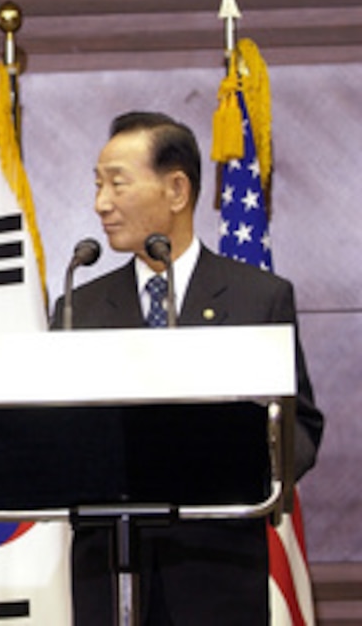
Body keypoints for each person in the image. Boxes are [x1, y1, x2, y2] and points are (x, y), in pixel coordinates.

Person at [52, 111, 324, 624]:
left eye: (117, 183)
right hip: (107, 574)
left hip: (217, 567)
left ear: (176, 190)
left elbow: (301, 426)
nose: (101, 204)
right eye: (97, 184)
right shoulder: (77, 307)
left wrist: (242, 476)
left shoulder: (257, 297)